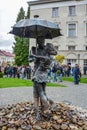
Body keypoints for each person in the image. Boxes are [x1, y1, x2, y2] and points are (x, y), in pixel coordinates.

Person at [30, 36, 57, 120]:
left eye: (43, 40)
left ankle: (44, 111)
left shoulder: (45, 50)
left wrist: (36, 56)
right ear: (37, 42)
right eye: (40, 40)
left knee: (38, 93)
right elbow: (30, 59)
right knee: (42, 92)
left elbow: (33, 56)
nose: (42, 42)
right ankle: (42, 108)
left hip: (38, 74)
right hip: (44, 74)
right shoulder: (39, 50)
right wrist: (33, 58)